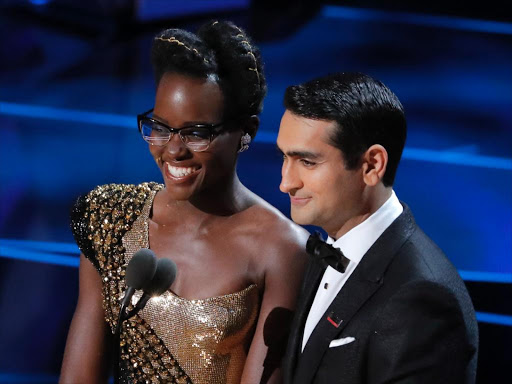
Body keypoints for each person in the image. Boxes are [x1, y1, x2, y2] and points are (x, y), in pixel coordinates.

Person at [60, 20, 308, 384]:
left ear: (246, 132)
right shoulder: (112, 219)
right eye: (159, 127)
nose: (173, 150)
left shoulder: (282, 249)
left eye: (196, 133)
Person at [277, 72, 478, 383]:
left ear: (372, 165)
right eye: (284, 157)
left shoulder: (422, 298)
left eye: (307, 162)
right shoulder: (324, 252)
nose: (286, 183)